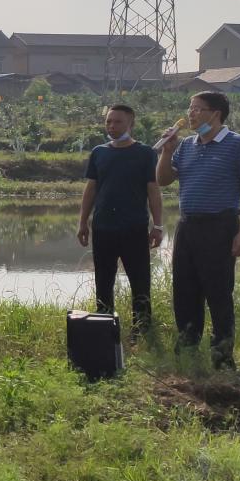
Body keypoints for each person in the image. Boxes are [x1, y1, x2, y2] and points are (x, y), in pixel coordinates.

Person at [156, 91, 240, 369]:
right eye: (190, 109)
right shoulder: (188, 145)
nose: (190, 114)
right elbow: (163, 179)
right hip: (188, 226)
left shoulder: (237, 144)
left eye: (196, 109)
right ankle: (187, 351)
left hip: (220, 226)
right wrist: (167, 152)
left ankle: (222, 356)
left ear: (215, 113)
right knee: (184, 290)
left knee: (218, 292)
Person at [77, 103, 163, 332]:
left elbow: (153, 190)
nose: (112, 126)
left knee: (140, 282)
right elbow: (91, 189)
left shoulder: (145, 153)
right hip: (103, 227)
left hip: (134, 228)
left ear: (130, 124)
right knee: (103, 282)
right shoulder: (99, 152)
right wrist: (83, 222)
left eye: (118, 122)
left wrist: (159, 226)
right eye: (109, 122)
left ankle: (142, 331)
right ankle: (105, 332)